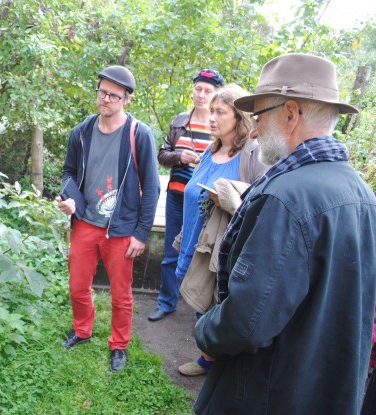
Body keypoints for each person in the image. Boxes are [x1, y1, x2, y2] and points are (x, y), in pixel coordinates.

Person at [193, 53, 376, 414]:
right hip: (327, 393)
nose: (257, 129)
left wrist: (206, 333)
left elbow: (247, 323)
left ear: (291, 113)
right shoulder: (360, 193)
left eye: (261, 115)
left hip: (268, 393)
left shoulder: (286, 196)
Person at [56, 65, 160, 372]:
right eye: (102, 92)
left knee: (121, 292)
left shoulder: (138, 135)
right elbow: (68, 173)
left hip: (120, 228)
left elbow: (151, 186)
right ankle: (82, 330)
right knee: (77, 285)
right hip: (86, 222)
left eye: (114, 96)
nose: (106, 100)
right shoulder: (82, 132)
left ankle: (118, 345)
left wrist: (141, 233)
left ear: (126, 99)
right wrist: (70, 199)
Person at [167, 84, 268, 377]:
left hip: (221, 247)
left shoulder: (253, 154)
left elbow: (261, 202)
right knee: (200, 300)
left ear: (239, 117)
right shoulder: (210, 152)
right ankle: (210, 359)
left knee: (216, 304)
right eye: (211, 111)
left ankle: (214, 363)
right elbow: (194, 197)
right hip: (194, 240)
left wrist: (228, 197)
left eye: (220, 112)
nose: (211, 117)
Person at [149, 69, 225, 322]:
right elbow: (163, 155)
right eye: (198, 89)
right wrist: (179, 157)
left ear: (216, 95)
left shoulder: (221, 124)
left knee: (201, 253)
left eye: (208, 91)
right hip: (176, 196)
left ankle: (199, 309)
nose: (201, 95)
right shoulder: (180, 121)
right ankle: (166, 302)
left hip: (206, 203)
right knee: (171, 252)